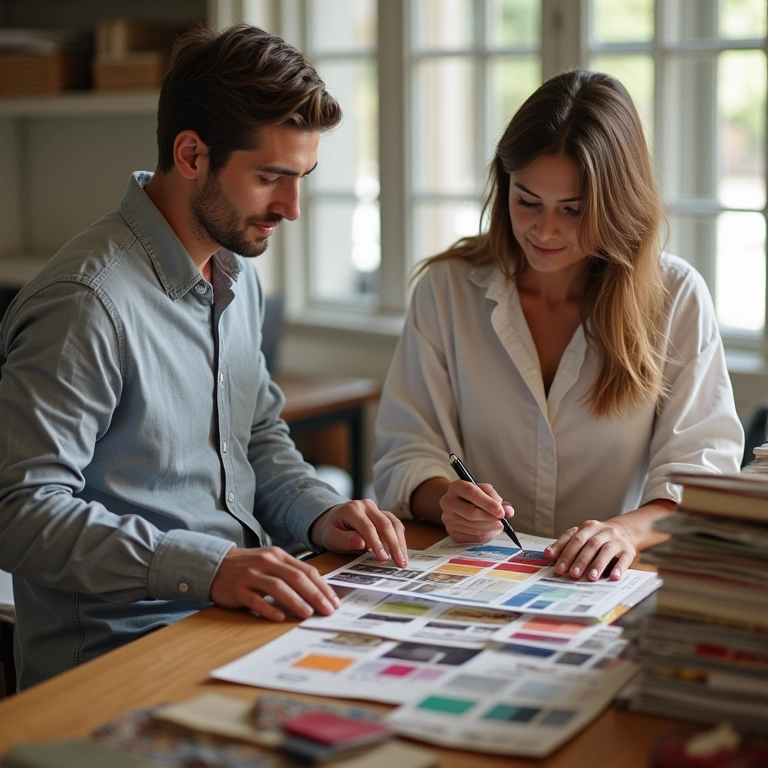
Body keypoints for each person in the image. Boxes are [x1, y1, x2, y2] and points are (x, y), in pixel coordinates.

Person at [0, 24, 407, 690]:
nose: (292, 208)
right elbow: (18, 512)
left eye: (301, 178)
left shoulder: (233, 271)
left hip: (235, 624)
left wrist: (320, 512)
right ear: (191, 154)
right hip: (118, 662)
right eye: (271, 177)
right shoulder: (86, 303)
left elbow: (256, 440)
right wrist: (209, 567)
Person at [373, 70, 743, 584]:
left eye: (574, 210)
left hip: (607, 585)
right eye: (527, 201)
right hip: (473, 576)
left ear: (617, 206)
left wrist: (624, 533)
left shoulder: (675, 297)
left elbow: (701, 478)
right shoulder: (447, 288)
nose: (544, 231)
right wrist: (443, 499)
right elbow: (405, 448)